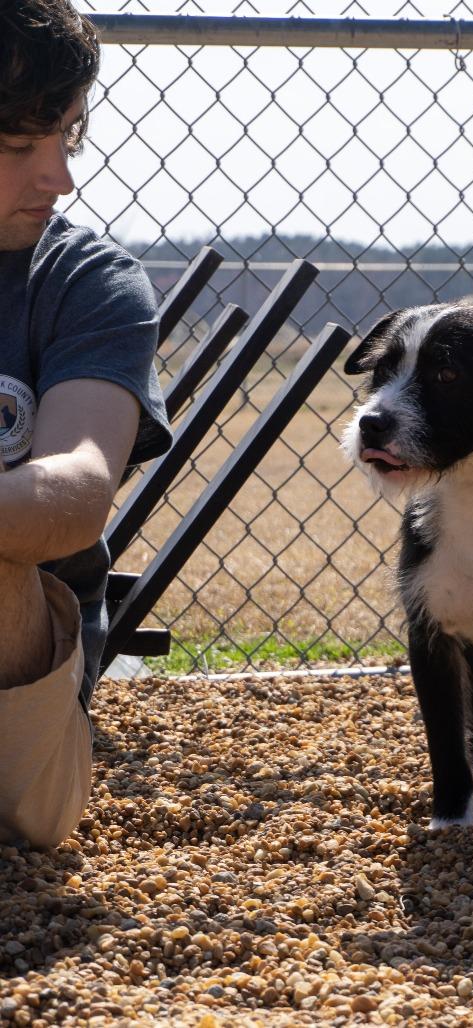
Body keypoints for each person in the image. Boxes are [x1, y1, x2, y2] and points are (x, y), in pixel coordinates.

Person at [0, 0, 172, 847]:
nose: (59, 177)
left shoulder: (87, 282)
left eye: (66, 137)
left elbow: (76, 491)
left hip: (18, 686)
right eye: (17, 146)